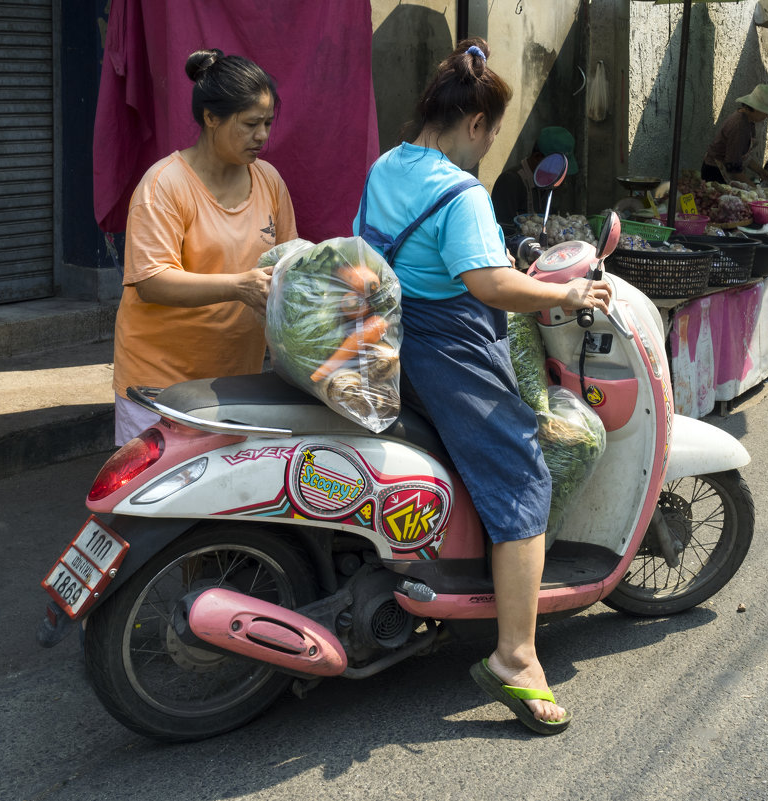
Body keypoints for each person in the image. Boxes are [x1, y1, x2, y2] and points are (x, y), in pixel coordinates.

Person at [353, 38, 611, 735]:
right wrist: (568, 296)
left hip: (392, 341)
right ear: (474, 124)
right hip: (450, 353)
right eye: (492, 134)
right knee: (525, 473)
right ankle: (515, 655)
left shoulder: (387, 166)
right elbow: (487, 284)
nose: (489, 146)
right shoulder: (460, 192)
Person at [112, 49, 297, 445]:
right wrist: (238, 286)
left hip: (233, 382)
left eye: (267, 122)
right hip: (160, 384)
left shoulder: (268, 180)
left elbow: (289, 261)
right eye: (250, 124)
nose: (262, 135)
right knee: (153, 504)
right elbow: (152, 280)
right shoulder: (164, 185)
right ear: (211, 118)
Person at [490, 125, 578, 228]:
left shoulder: (552, 184)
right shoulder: (510, 182)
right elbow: (502, 230)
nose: (558, 176)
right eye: (555, 169)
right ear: (537, 157)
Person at [701, 83, 768, 185]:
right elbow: (733, 168)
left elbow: (742, 155)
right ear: (755, 108)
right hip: (716, 174)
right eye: (766, 111)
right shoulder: (740, 126)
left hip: (726, 170)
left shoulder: (748, 121)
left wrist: (761, 171)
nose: (767, 116)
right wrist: (755, 189)